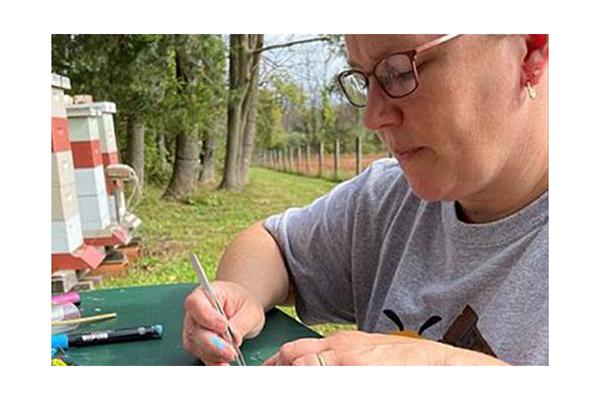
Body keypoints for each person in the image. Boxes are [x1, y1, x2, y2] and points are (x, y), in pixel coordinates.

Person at [182, 34, 548, 366]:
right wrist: (240, 294)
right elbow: (271, 244)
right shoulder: (387, 203)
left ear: (530, 50)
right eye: (365, 78)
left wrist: (439, 367)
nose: (373, 117)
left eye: (400, 71)